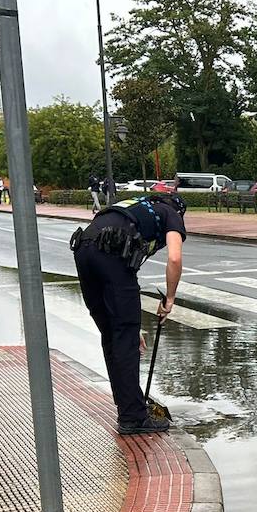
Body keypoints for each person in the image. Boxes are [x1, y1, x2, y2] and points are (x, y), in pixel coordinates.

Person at [72, 185, 185, 434]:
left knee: (113, 335)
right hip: (110, 253)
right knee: (124, 335)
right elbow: (175, 258)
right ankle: (133, 417)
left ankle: (126, 404)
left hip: (82, 248)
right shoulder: (171, 212)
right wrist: (170, 298)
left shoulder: (136, 205)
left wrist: (130, 326)